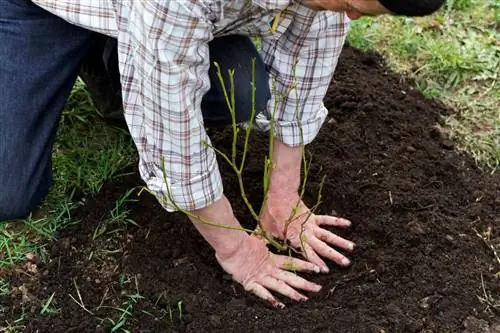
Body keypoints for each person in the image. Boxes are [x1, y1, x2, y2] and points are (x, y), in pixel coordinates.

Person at [0, 0, 445, 308]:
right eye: (351, 3)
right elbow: (171, 133)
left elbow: (308, 60)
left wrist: (283, 199)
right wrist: (236, 250)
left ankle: (116, 60)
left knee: (241, 90)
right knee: (9, 193)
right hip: (44, 10)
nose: (350, 14)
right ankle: (116, 55)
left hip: (150, 17)